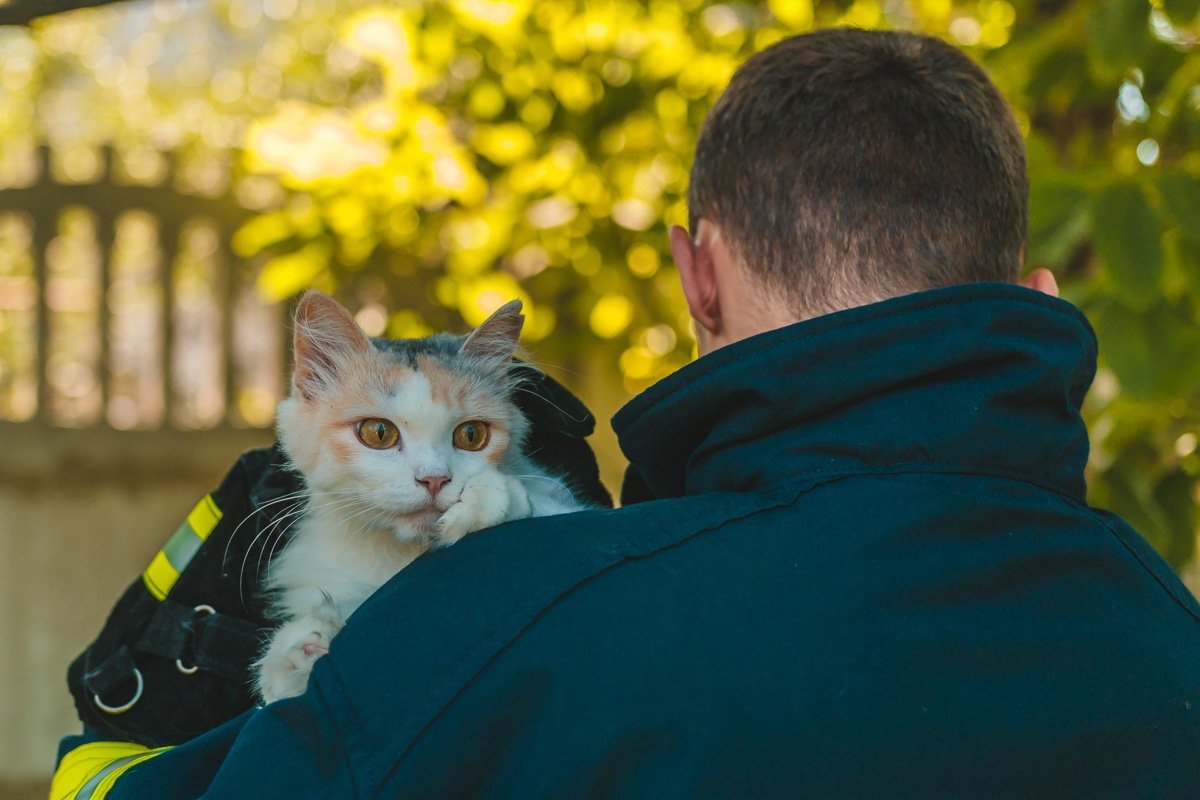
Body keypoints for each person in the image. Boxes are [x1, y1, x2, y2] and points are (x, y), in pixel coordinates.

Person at [54, 27, 1200, 798]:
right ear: (1035, 297)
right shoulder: (1164, 635)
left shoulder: (516, 617)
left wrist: (134, 745)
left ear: (696, 279)